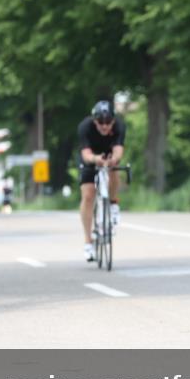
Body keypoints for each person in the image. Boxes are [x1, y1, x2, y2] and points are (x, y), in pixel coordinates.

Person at [78, 100, 126, 262]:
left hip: (108, 154)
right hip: (91, 157)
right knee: (88, 195)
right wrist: (95, 159)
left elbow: (118, 151)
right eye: (100, 122)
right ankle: (88, 242)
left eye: (108, 122)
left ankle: (113, 203)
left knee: (114, 168)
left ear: (113, 120)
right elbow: (85, 154)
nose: (104, 126)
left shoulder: (119, 126)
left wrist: (114, 160)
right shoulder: (85, 127)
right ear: (94, 121)